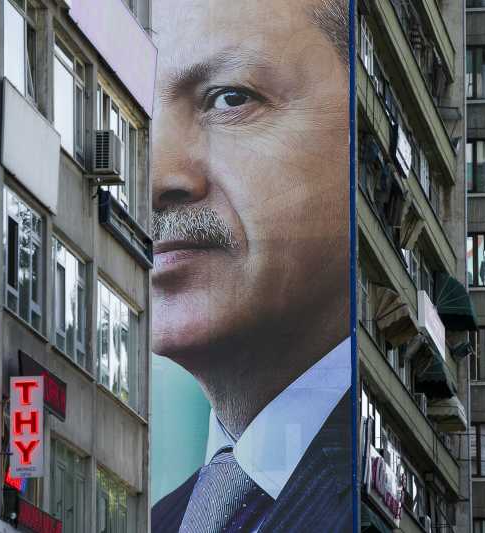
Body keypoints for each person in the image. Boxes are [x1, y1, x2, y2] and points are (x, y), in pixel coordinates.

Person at [150, 0, 353, 531]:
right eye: (138, 114)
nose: (156, 178)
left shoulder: (381, 479)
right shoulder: (162, 518)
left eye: (230, 98)